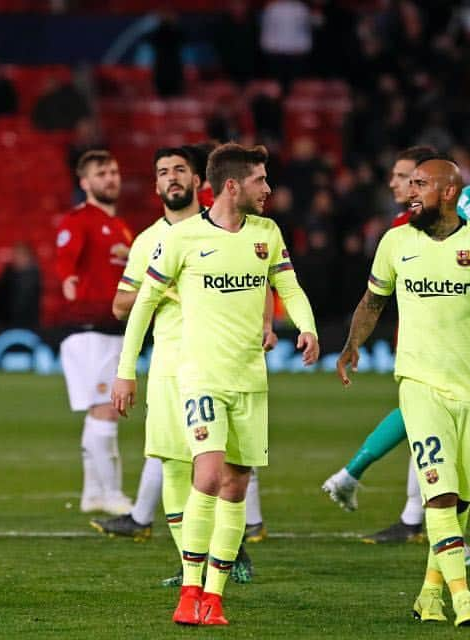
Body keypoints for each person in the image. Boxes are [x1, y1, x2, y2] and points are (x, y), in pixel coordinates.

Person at [113, 143, 319, 625]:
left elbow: (288, 287)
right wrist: (126, 369)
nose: (268, 190)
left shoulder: (266, 233)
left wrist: (306, 326)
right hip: (200, 377)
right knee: (205, 476)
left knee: (236, 485)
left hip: (250, 380)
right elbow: (141, 305)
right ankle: (188, 592)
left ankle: (215, 597)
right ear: (233, 185)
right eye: (261, 181)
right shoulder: (182, 239)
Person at [90, 146, 269, 587]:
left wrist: (266, 321)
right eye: (163, 172)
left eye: (180, 171)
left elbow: (264, 274)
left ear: (197, 182)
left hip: (224, 362)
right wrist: (167, 284)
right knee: (172, 464)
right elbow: (120, 305)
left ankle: (231, 547)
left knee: (226, 467)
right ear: (155, 185)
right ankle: (193, 562)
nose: (171, 178)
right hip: (171, 365)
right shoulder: (149, 242)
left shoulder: (231, 228)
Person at [336, 158, 470, 627]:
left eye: (421, 184)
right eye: (409, 184)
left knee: (463, 498)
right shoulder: (396, 242)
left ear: (449, 192)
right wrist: (352, 345)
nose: (411, 192)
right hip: (419, 384)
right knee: (440, 493)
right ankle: (463, 599)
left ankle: (430, 592)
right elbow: (373, 301)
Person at [55, 149, 134, 517]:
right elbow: (65, 262)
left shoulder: (121, 227)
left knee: (100, 412)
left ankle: (92, 493)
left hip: (111, 331)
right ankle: (113, 494)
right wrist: (68, 281)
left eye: (114, 171)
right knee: (105, 410)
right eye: (102, 173)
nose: (111, 178)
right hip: (89, 331)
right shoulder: (80, 221)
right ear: (85, 182)